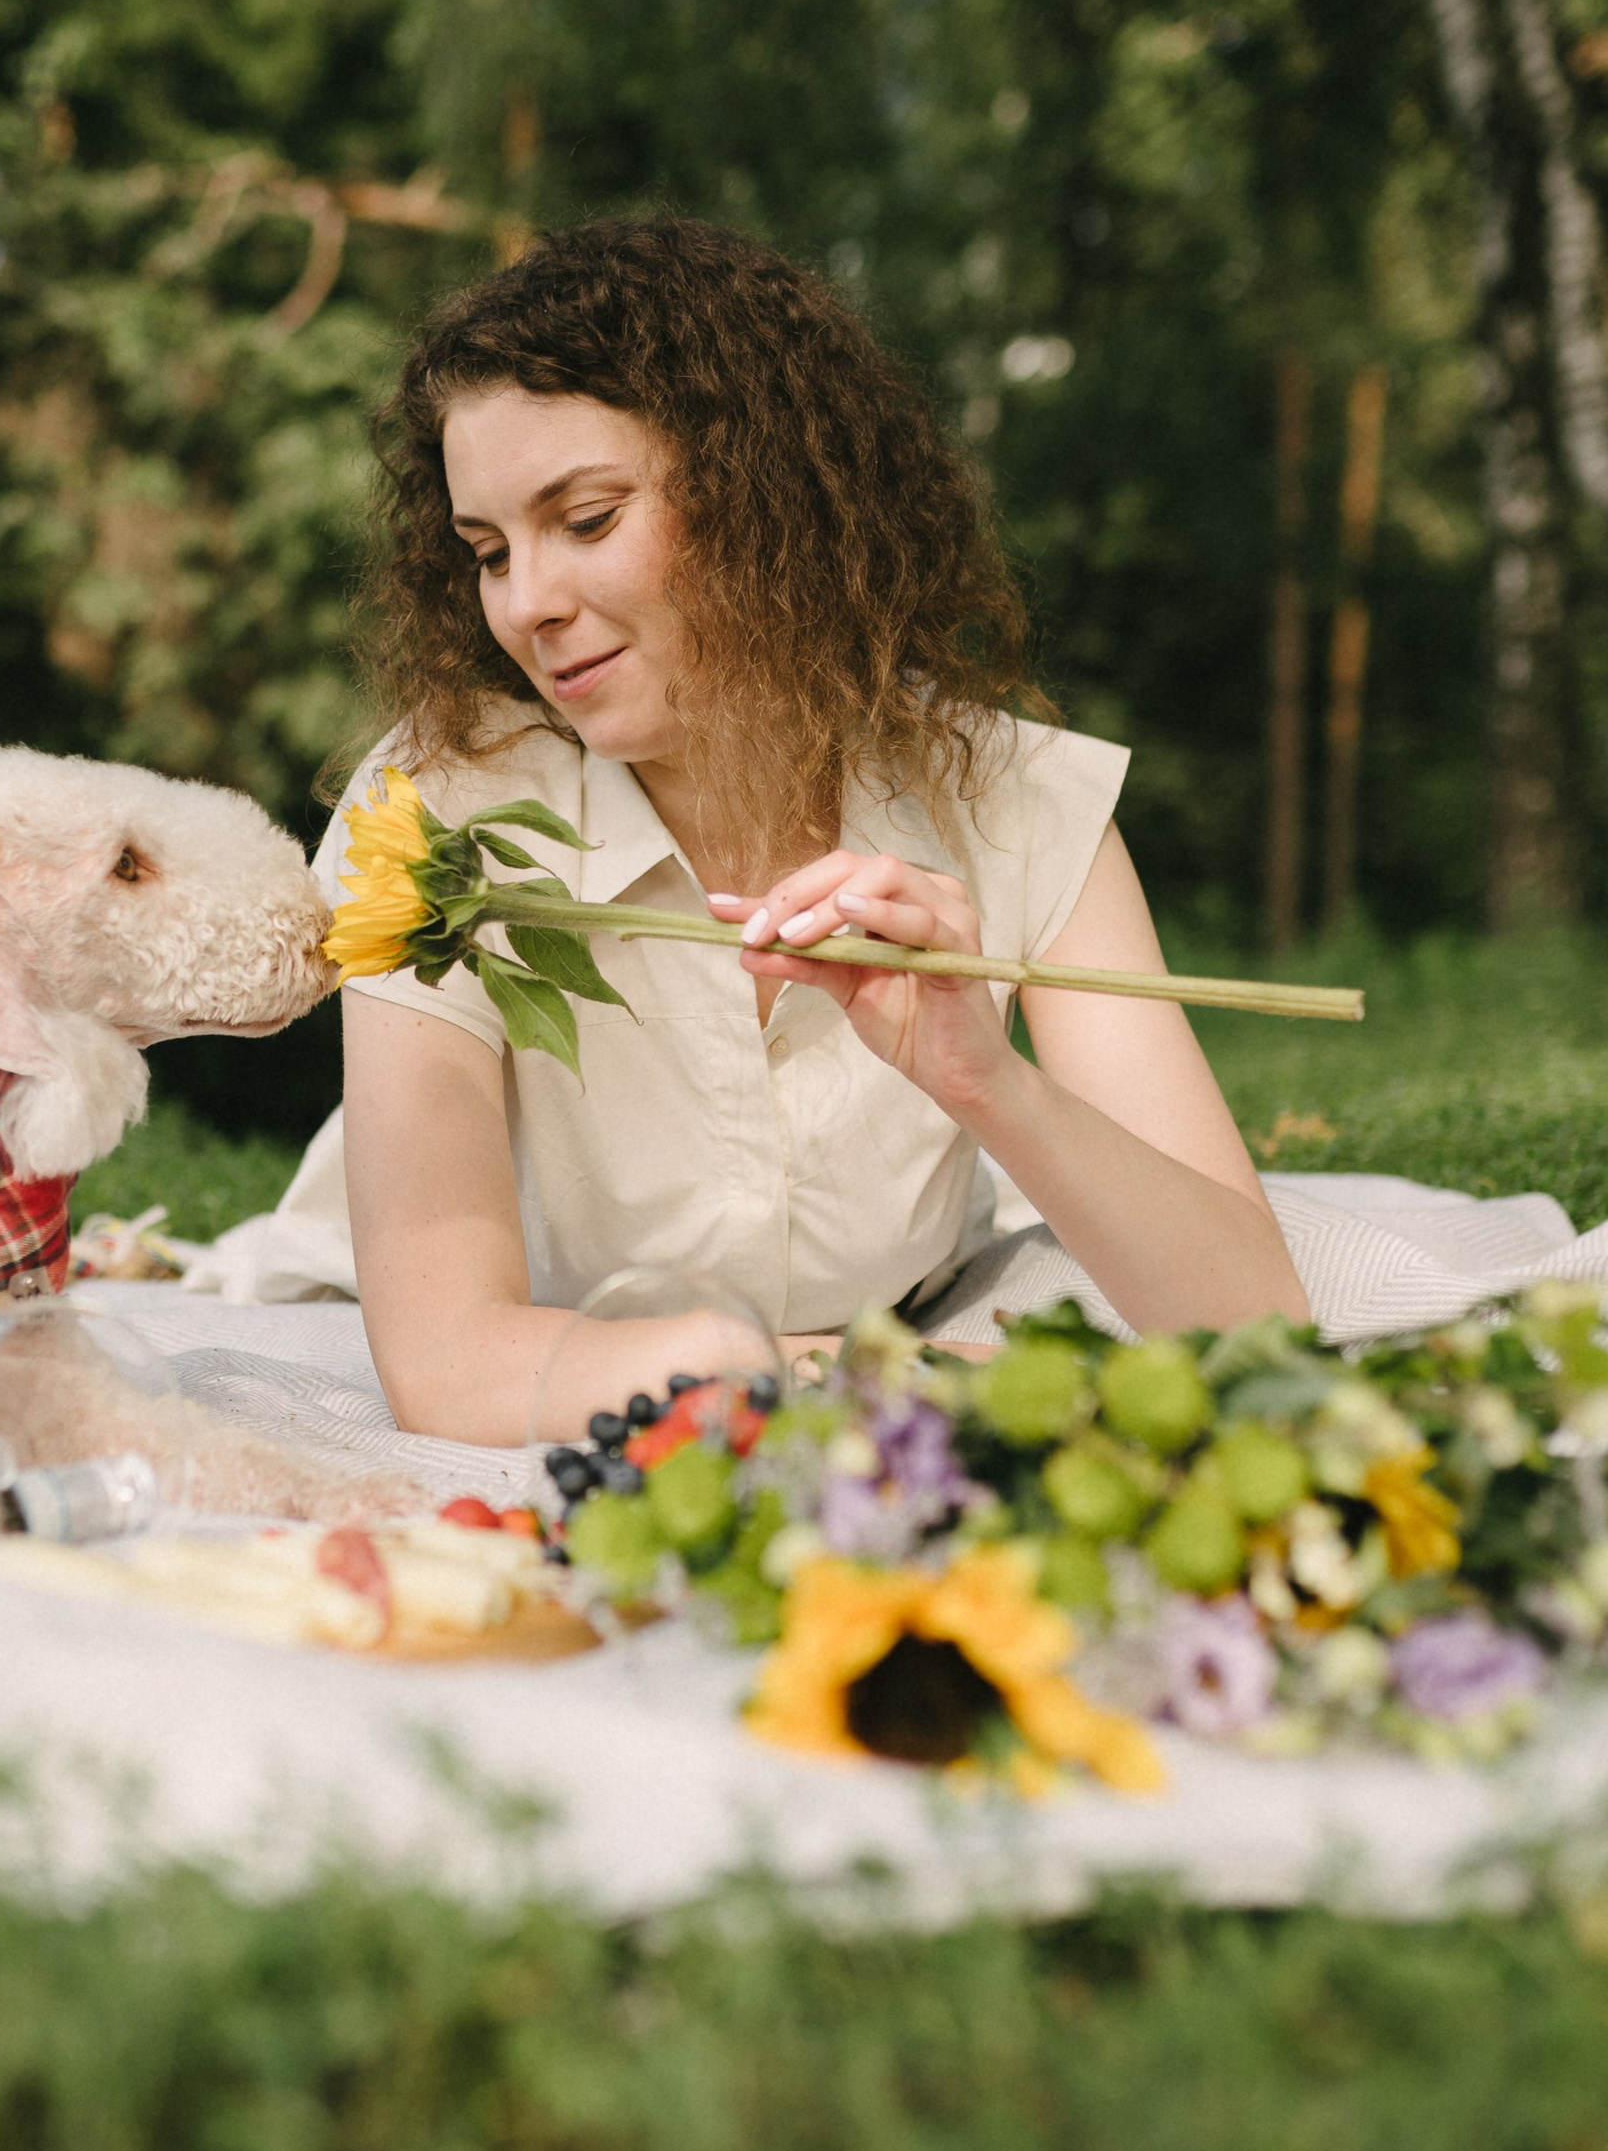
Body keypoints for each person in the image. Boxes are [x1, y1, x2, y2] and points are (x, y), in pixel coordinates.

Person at [318, 215, 1306, 1446]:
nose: (527, 604)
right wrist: (846, 1370)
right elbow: (449, 1367)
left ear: (756, 487)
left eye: (584, 520)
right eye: (487, 549)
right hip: (600, 1373)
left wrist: (980, 1078)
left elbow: (1249, 1317)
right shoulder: (437, 816)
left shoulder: (1014, 799)